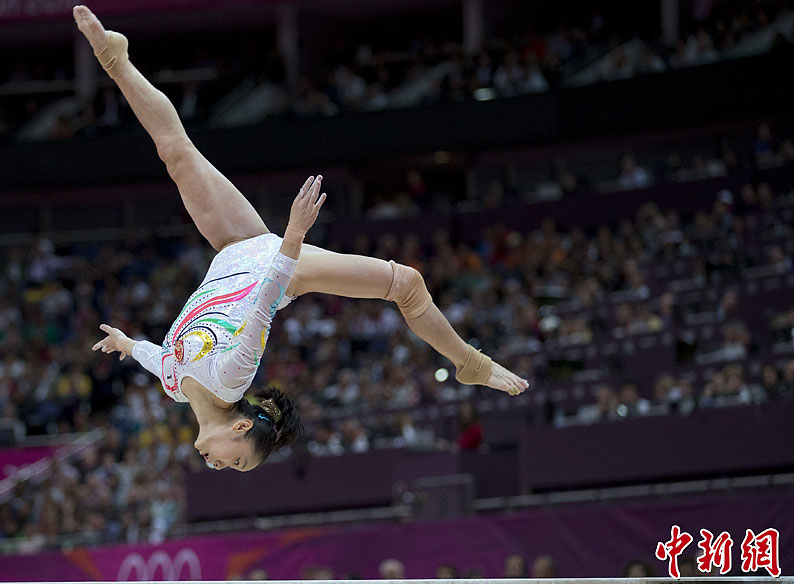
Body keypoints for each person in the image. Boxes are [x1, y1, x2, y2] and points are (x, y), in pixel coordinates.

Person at [79, 5, 529, 472]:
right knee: (407, 283)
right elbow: (264, 301)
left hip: (236, 248)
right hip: (281, 266)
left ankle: (117, 61)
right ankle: (468, 362)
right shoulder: (231, 379)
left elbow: (154, 356)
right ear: (239, 428)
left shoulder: (175, 384)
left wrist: (126, 344)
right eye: (238, 463)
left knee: (176, 152)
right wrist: (293, 235)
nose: (220, 467)